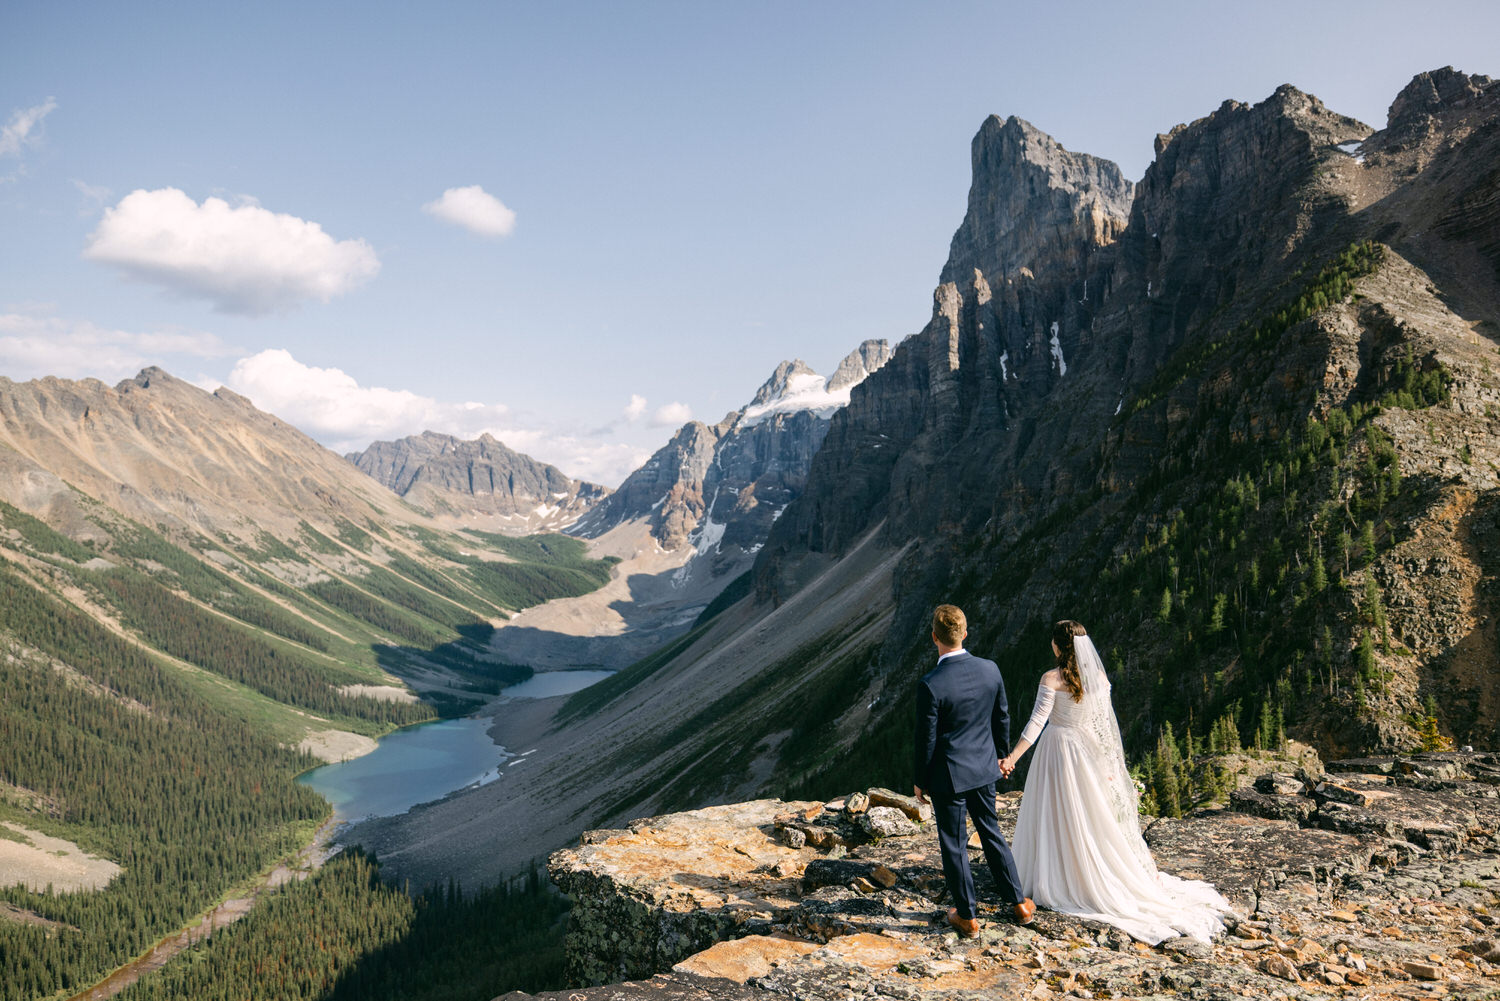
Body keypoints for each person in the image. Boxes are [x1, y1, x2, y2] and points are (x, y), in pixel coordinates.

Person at [999, 620, 1233, 944]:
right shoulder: (1098, 678)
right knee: (1089, 817)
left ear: (1057, 646)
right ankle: (1085, 871)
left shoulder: (1051, 679)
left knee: (1053, 812)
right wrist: (1109, 765)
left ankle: (1053, 873)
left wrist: (1012, 758)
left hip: (1056, 751)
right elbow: (1104, 726)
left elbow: (1036, 723)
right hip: (1085, 751)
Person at [914, 604, 1036, 937]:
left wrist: (920, 780)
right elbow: (1002, 717)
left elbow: (925, 740)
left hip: (948, 776)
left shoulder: (931, 684)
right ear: (965, 633)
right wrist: (1000, 755)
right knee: (991, 832)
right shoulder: (990, 669)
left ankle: (967, 916)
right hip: (984, 769)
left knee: (954, 845)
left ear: (934, 637)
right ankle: (1019, 904)